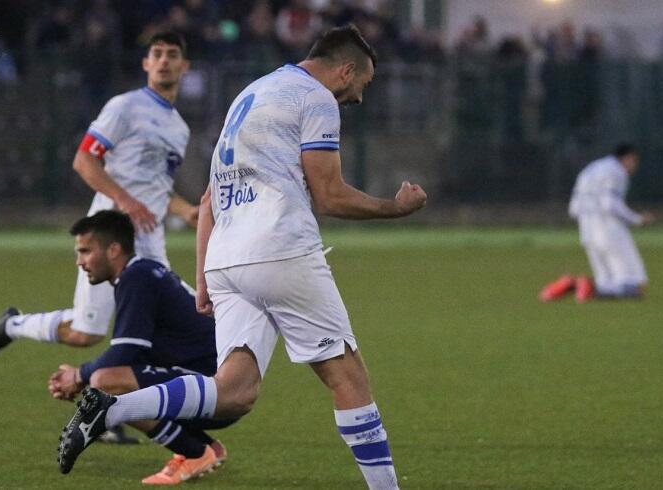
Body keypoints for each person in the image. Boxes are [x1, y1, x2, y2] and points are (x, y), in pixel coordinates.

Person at [58, 25, 426, 490]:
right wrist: (396, 208)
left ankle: (113, 407)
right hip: (280, 250)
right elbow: (329, 196)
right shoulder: (315, 99)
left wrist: (205, 275)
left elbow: (209, 199)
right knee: (348, 378)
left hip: (226, 258)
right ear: (346, 70)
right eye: (362, 85)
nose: (357, 96)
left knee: (233, 393)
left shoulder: (251, 93)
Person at [0, 31, 198, 361]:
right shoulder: (124, 107)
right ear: (146, 63)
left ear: (185, 65)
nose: (164, 60)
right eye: (158, 53)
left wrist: (186, 211)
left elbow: (158, 188)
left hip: (149, 240)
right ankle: (13, 325)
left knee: (187, 313)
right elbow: (84, 160)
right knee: (84, 334)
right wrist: (127, 201)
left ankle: (168, 395)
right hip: (109, 235)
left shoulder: (180, 128)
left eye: (172, 54)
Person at [52, 210, 236, 484]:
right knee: (110, 377)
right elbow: (135, 351)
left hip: (214, 390)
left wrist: (79, 375)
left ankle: (194, 452)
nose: (80, 262)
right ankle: (208, 447)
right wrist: (82, 376)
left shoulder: (136, 278)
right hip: (213, 382)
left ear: (113, 249)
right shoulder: (142, 272)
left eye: (86, 251)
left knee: (106, 383)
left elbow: (125, 351)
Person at [540, 143, 653, 303]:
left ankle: (571, 284)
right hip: (608, 228)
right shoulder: (617, 171)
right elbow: (609, 203)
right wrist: (637, 219)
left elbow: (574, 207)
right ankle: (583, 284)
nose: (634, 166)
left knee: (606, 282)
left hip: (586, 228)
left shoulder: (592, 168)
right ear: (628, 158)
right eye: (634, 161)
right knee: (635, 284)